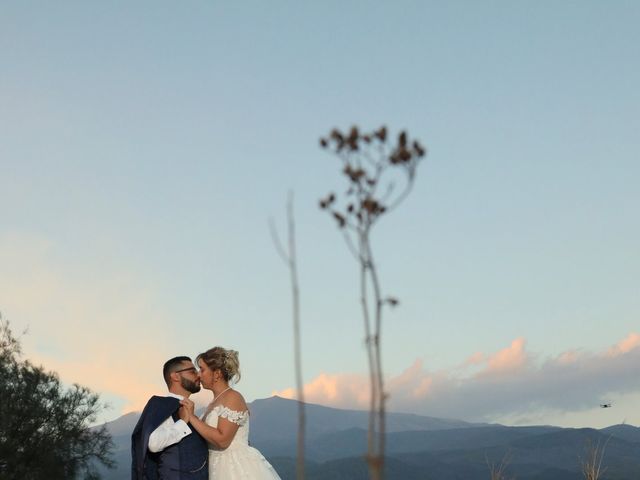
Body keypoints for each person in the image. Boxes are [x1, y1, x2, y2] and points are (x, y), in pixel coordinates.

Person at [180, 347, 281, 479]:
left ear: (217, 374)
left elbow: (222, 440)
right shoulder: (213, 402)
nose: (199, 374)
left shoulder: (233, 397)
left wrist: (192, 417)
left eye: (202, 369)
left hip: (234, 467)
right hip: (212, 467)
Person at [131, 356, 208, 479]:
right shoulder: (161, 405)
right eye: (192, 371)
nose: (198, 375)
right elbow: (153, 443)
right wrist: (183, 422)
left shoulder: (188, 408)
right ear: (175, 376)